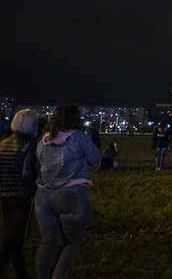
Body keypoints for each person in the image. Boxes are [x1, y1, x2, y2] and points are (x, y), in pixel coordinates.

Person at [35, 105, 101, 279]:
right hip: (71, 195)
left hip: (43, 196)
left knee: (47, 241)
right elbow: (95, 158)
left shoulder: (44, 140)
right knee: (71, 243)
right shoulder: (79, 137)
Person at [0, 109, 38, 279]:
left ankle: (22, 275)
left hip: (4, 197)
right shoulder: (29, 144)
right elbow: (27, 174)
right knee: (13, 241)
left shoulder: (3, 143)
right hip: (22, 198)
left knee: (12, 238)